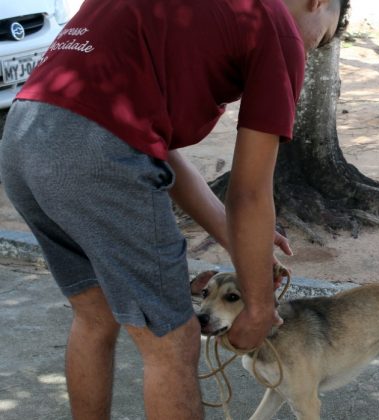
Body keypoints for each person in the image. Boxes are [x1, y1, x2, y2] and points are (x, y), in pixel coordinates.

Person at [0, 0, 349, 419]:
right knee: (174, 339)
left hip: (23, 135)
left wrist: (237, 239)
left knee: (95, 317)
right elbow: (250, 193)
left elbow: (157, 148)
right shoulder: (278, 27)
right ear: (318, 2)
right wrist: (258, 307)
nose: (311, 49)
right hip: (95, 151)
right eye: (322, 37)